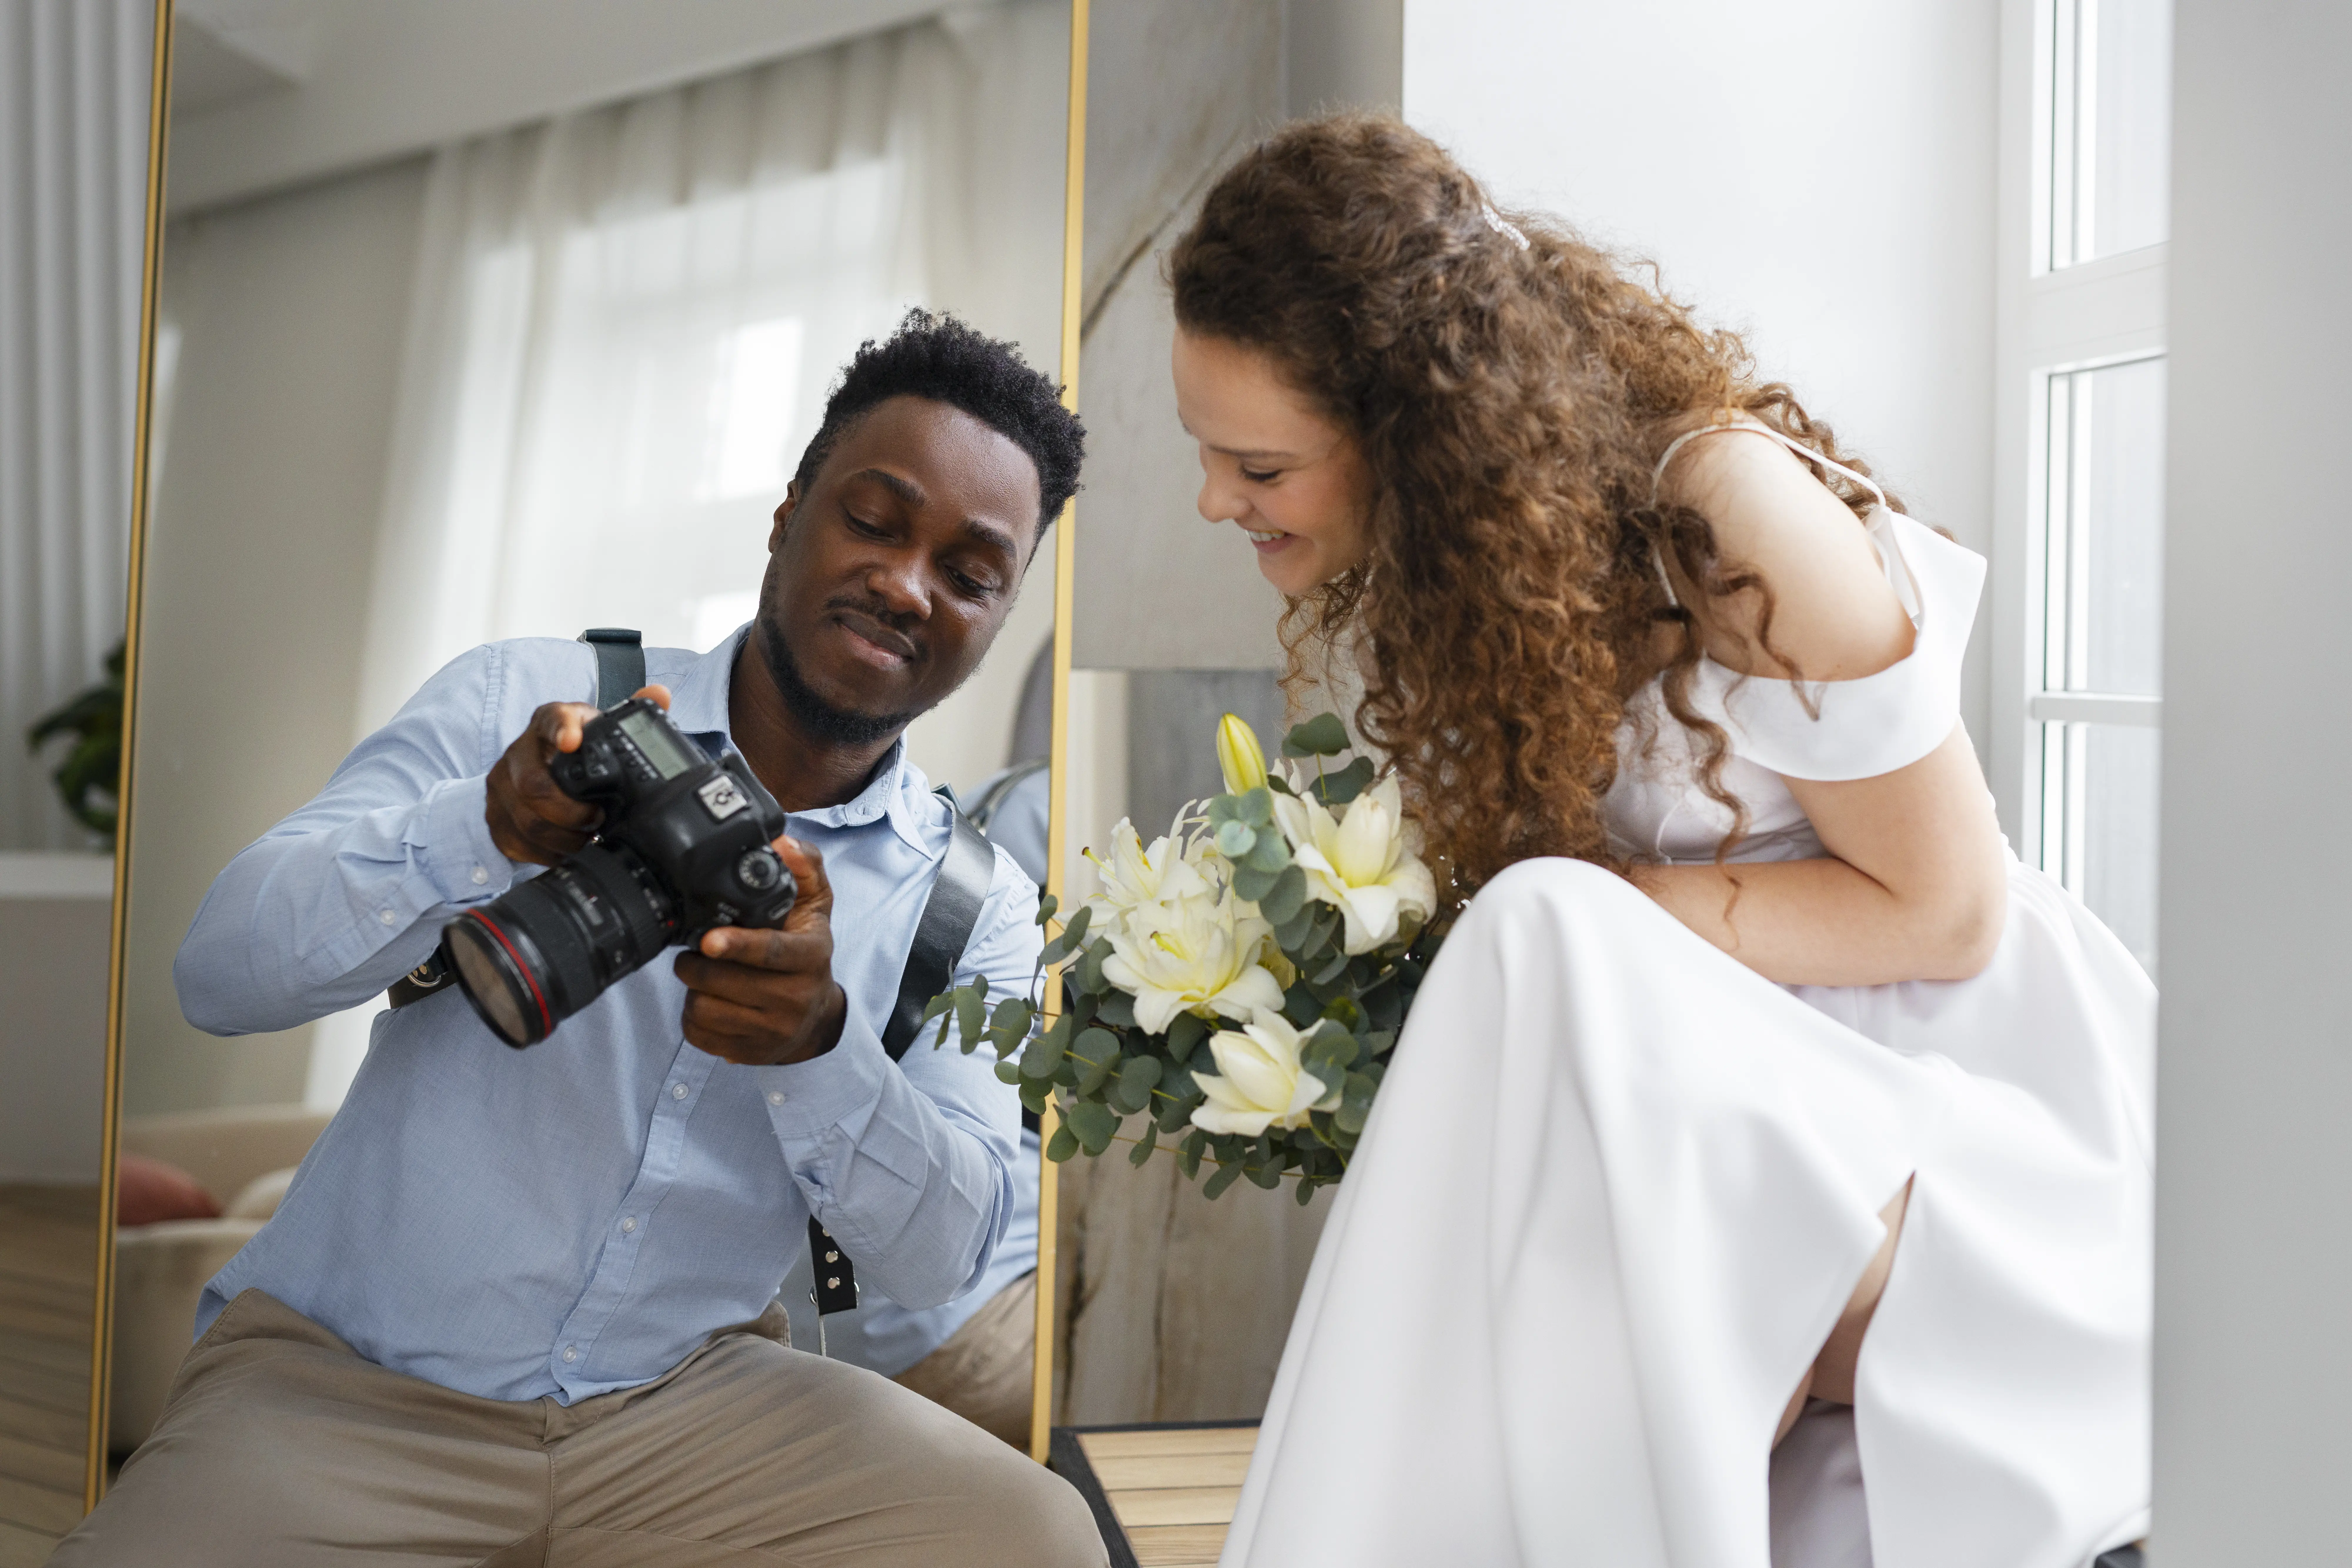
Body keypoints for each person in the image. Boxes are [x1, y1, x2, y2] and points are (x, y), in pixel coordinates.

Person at [1165, 117, 2151, 1568]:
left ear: (1415, 431)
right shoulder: (1473, 563)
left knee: (1536, 934)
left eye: (1256, 464)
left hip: (1952, 1084)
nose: (1214, 500)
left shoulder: (1731, 519)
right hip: (1715, 1084)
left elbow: (1949, 913)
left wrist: (1591, 913)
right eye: (1202, 452)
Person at [56, 311, 1106, 1567]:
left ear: (999, 615)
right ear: (786, 517)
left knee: (1038, 1536)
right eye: (875, 520)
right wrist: (478, 831)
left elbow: (944, 1258)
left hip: (688, 1412)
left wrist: (822, 1049)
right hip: (350, 1383)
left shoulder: (975, 900)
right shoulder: (526, 702)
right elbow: (218, 973)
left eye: (971, 575)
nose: (907, 585)